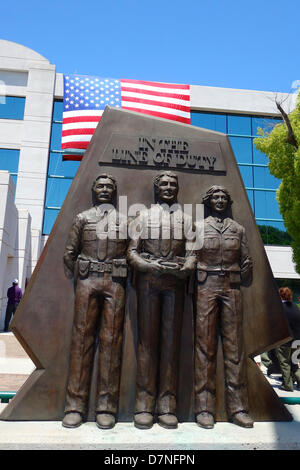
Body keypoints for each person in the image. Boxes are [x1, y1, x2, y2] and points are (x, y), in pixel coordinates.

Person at [128, 171, 196, 430]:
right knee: (147, 343)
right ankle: (144, 405)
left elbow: (192, 254)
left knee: (171, 343)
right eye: (164, 184)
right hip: (148, 284)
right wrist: (148, 266)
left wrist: (186, 267)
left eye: (172, 184)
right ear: (156, 188)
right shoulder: (142, 216)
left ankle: (167, 405)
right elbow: (132, 253)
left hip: (175, 285)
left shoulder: (185, 219)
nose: (168, 187)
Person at [62, 173, 128, 429]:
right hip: (88, 282)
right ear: (93, 190)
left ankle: (106, 406)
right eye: (100, 186)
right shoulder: (82, 218)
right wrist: (84, 270)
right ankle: (75, 406)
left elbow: (131, 253)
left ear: (114, 191)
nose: (104, 189)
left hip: (115, 283)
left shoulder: (124, 220)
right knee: (82, 341)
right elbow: (70, 253)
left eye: (109, 186)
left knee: (112, 342)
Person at [194, 185, 254, 429]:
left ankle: (238, 408)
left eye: (223, 197)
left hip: (231, 287)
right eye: (215, 197)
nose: (219, 200)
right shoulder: (199, 227)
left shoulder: (237, 229)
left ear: (228, 201)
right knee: (204, 347)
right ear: (208, 201)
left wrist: (236, 275)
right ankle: (204, 408)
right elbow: (191, 257)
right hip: (206, 286)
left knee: (234, 348)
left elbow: (247, 260)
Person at [275, 287, 300, 391]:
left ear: (280, 295)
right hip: (297, 340)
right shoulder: (295, 307)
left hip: (285, 340)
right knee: (295, 362)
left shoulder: (279, 308)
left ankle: (287, 385)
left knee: (284, 362)